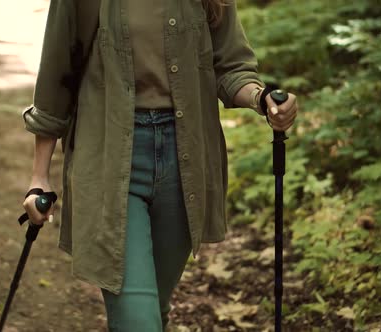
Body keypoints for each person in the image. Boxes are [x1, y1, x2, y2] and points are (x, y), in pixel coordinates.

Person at [21, 0, 298, 330]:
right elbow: (56, 77)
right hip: (109, 158)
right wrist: (40, 177)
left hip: (185, 163)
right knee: (139, 320)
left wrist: (261, 98)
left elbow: (231, 67)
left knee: (154, 306)